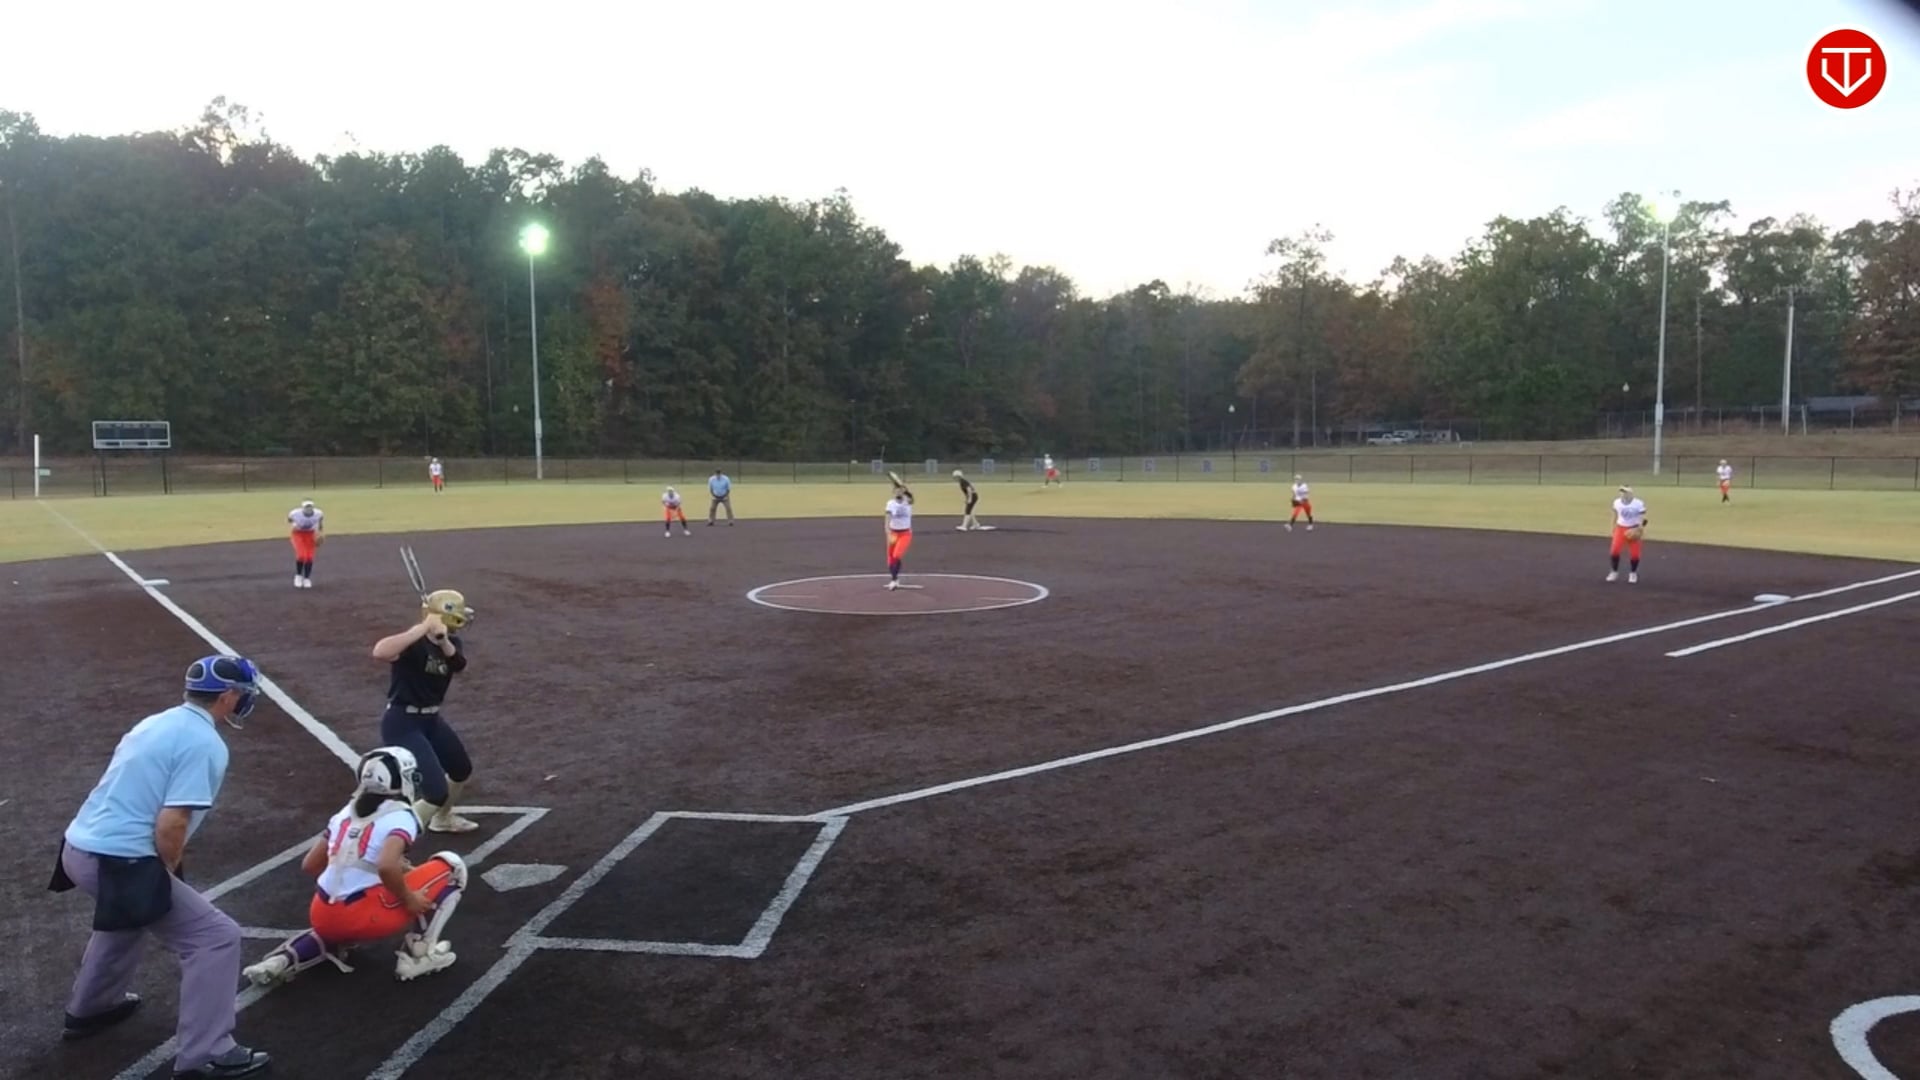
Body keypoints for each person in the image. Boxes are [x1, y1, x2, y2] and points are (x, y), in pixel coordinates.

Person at [50, 655, 272, 1080]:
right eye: (242, 695)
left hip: (78, 848)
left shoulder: (157, 722)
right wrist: (164, 872)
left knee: (128, 916)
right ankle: (207, 1054)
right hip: (120, 861)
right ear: (227, 697)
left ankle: (91, 1008)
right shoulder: (205, 743)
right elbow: (172, 822)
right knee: (215, 937)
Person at [241, 746, 468, 987]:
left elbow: (310, 864)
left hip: (321, 911)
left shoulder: (345, 812)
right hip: (363, 915)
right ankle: (419, 956)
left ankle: (280, 961)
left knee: (333, 927)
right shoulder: (402, 816)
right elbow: (387, 866)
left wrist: (348, 882)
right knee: (452, 865)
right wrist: (408, 897)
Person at [372, 588, 480, 834]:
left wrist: (442, 640)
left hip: (431, 719)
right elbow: (380, 651)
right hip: (402, 721)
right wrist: (422, 628)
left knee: (461, 769)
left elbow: (458, 665)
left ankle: (442, 818)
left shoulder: (451, 643)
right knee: (435, 791)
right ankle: (392, 839)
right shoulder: (412, 644)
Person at [1608, 485, 1648, 583]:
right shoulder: (1617, 502)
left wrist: (1639, 529)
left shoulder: (1638, 503)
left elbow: (1644, 518)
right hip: (1620, 528)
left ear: (1630, 493)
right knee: (1614, 551)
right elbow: (1615, 515)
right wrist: (1613, 528)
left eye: (1625, 492)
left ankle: (1633, 573)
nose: (1622, 494)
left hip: (1634, 528)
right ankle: (1614, 572)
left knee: (1635, 554)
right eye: (1621, 492)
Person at [287, 499, 324, 589]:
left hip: (310, 534)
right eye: (306, 507)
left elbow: (320, 523)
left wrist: (320, 533)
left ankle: (307, 579)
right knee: (301, 555)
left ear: (312, 507)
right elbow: (289, 520)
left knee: (309, 557)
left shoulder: (318, 513)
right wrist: (294, 525)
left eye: (310, 507)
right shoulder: (295, 513)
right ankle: (298, 576)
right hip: (298, 534)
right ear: (303, 508)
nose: (308, 509)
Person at [884, 483, 914, 590]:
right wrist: (888, 532)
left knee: (896, 555)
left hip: (905, 533)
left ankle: (893, 580)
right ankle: (895, 578)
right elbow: (887, 518)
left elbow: (911, 498)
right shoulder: (890, 503)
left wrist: (905, 489)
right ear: (893, 492)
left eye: (900, 490)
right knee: (891, 558)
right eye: (896, 490)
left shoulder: (907, 502)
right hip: (893, 533)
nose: (898, 492)